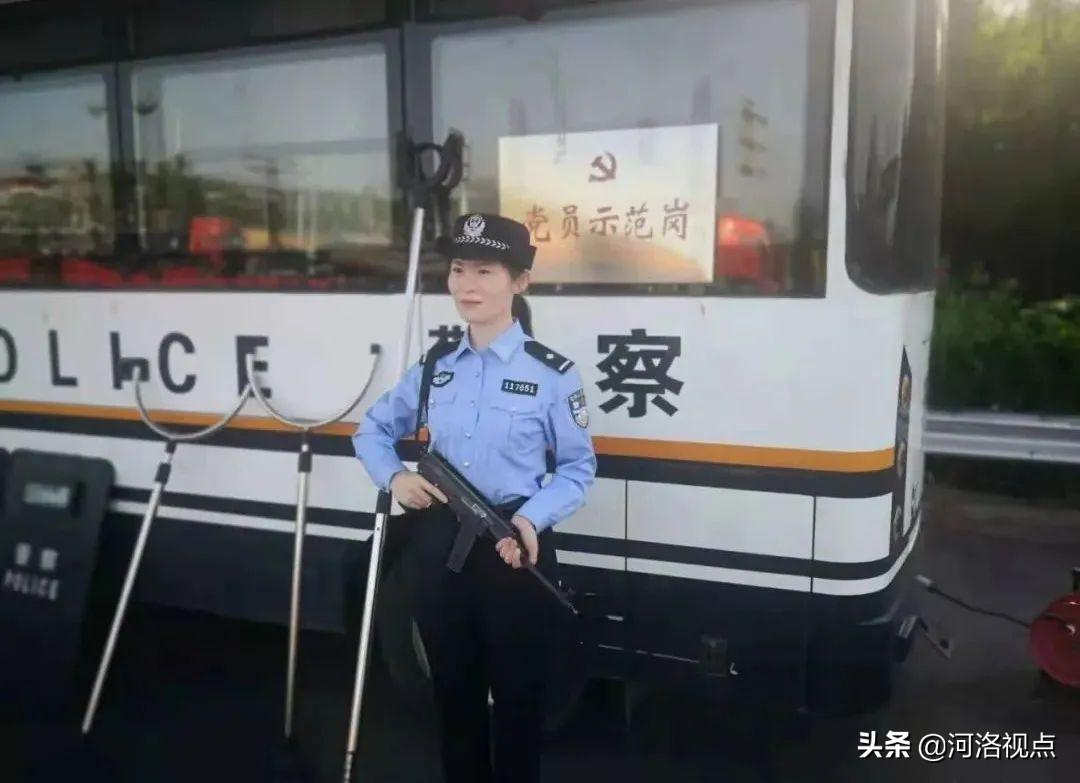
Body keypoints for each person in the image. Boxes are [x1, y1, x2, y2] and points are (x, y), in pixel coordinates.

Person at [352, 212, 597, 783]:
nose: (467, 284)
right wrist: (394, 478)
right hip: (440, 549)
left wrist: (532, 521)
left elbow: (577, 468)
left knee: (519, 702)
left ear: (520, 281)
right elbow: (372, 430)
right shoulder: (434, 368)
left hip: (515, 549)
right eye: (459, 269)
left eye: (485, 271)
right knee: (453, 694)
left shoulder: (552, 375)